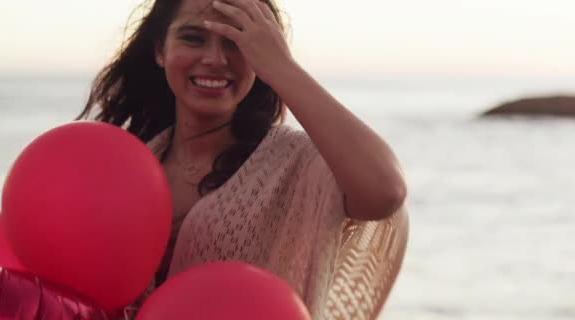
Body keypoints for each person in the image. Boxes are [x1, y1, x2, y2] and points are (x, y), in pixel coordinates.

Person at [77, 0, 407, 318]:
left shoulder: (295, 163)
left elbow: (385, 190)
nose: (215, 59)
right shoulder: (128, 165)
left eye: (237, 41)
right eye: (193, 38)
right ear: (160, 50)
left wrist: (282, 68)